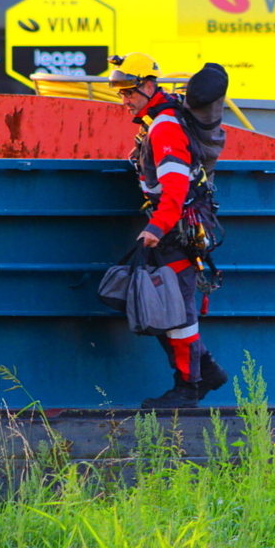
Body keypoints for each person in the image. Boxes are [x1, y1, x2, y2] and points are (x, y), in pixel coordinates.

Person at [108, 52, 228, 409]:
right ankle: (206, 370)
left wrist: (155, 229)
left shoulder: (164, 127)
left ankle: (188, 388)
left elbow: (175, 190)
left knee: (176, 312)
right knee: (168, 307)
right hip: (179, 226)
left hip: (177, 228)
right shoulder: (160, 119)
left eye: (129, 92)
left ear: (148, 85)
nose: (124, 100)